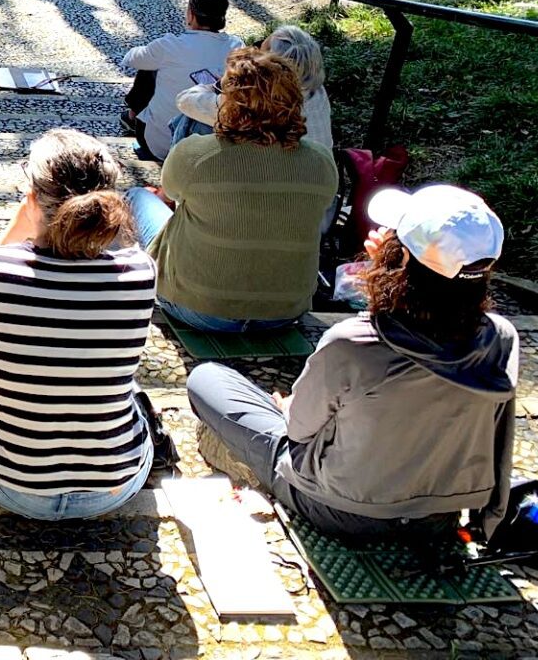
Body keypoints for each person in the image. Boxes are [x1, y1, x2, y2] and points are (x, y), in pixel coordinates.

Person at [190, 184, 515, 541]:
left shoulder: (353, 341)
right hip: (436, 516)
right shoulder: (500, 338)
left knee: (207, 378)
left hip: (336, 507)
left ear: (402, 259)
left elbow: (299, 430)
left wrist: (287, 407)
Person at [0, 130, 158, 518]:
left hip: (2, 479)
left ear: (33, 197)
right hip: (114, 486)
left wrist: (21, 222)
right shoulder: (141, 272)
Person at [125, 48, 338, 332]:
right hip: (285, 312)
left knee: (136, 197)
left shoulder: (197, 154)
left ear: (227, 101)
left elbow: (172, 197)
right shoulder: (321, 161)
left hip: (198, 308)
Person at [121, 0, 243, 161]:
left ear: (191, 14)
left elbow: (131, 59)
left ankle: (132, 117)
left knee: (150, 66)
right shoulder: (237, 48)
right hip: (214, 148)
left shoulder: (169, 45)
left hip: (160, 144)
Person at [173, 24, 333, 150]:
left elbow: (185, 101)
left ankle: (172, 180)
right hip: (317, 181)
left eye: (258, 52)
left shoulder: (258, 100)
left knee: (192, 121)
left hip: (270, 181)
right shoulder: (318, 93)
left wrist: (220, 85)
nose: (254, 54)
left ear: (271, 68)